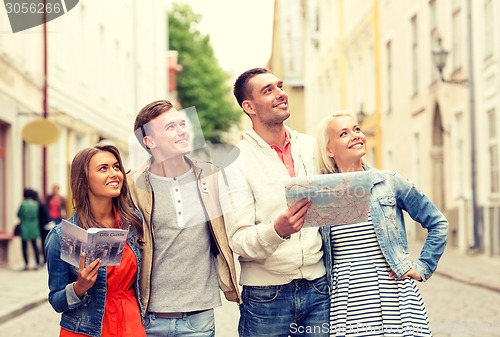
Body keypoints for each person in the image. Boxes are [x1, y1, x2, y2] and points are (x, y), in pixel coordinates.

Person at [315, 111, 448, 336]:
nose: (355, 135)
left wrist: (422, 267)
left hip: (394, 295)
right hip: (348, 300)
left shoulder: (389, 182)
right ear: (329, 149)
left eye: (356, 129)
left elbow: (438, 223)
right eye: (343, 133)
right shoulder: (321, 193)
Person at [220, 68, 330, 336]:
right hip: (266, 297)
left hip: (318, 288)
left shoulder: (310, 146)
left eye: (279, 86)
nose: (281, 94)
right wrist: (277, 230)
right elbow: (238, 239)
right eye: (268, 90)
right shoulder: (235, 162)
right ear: (249, 107)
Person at [128, 99, 240, 337]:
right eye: (170, 127)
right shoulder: (132, 185)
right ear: (149, 141)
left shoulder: (210, 175)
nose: (182, 131)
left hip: (198, 317)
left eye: (182, 124)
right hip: (148, 317)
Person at [44, 144, 145, 337]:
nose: (115, 173)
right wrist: (79, 287)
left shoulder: (133, 222)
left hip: (131, 325)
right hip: (86, 330)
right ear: (84, 180)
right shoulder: (62, 236)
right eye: (103, 168)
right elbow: (56, 301)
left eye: (116, 167)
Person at [17, 188, 42, 270]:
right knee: (35, 245)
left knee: (24, 246)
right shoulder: (36, 204)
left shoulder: (23, 204)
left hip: (25, 225)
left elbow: (19, 214)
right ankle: (37, 263)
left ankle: (26, 263)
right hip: (34, 225)